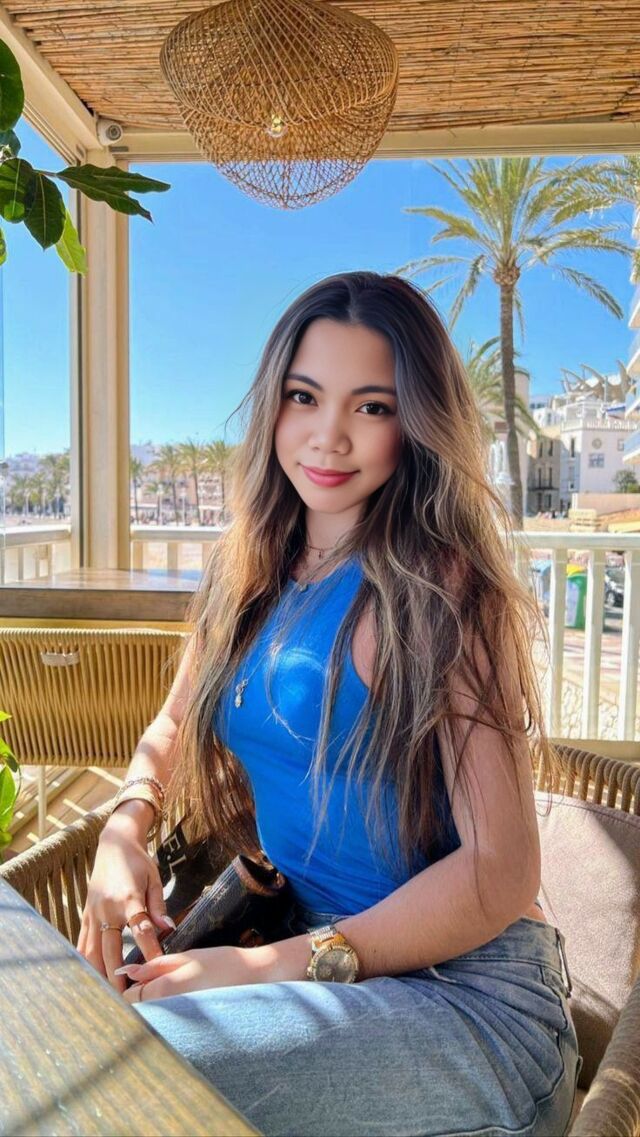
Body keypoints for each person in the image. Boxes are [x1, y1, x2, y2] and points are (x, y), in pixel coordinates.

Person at [78, 271, 582, 1137]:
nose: (329, 435)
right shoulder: (246, 569)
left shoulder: (439, 590)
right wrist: (123, 828)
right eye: (304, 396)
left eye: (372, 406)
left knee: (122, 1071)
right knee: (66, 1026)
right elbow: (171, 725)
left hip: (468, 1003)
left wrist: (270, 968)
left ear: (415, 423)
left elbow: (502, 868)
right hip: (299, 949)